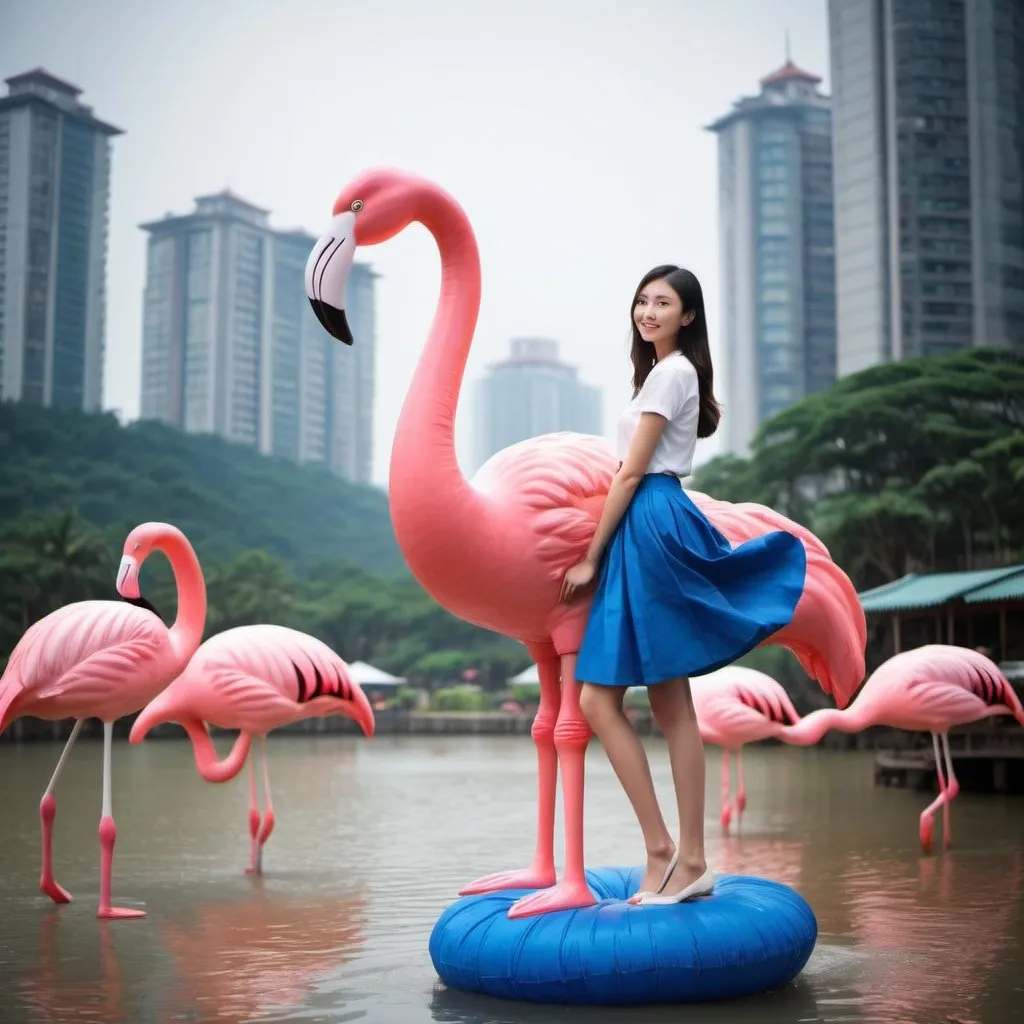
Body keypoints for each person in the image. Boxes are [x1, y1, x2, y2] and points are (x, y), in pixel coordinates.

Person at [559, 265, 807, 906]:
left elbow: (629, 474)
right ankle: (677, 855)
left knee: (600, 701)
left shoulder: (671, 373)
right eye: (641, 300)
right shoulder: (663, 374)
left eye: (662, 302)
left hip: (649, 525)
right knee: (668, 706)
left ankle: (676, 852)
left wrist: (590, 558)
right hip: (652, 525)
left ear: (687, 316)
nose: (648, 311)